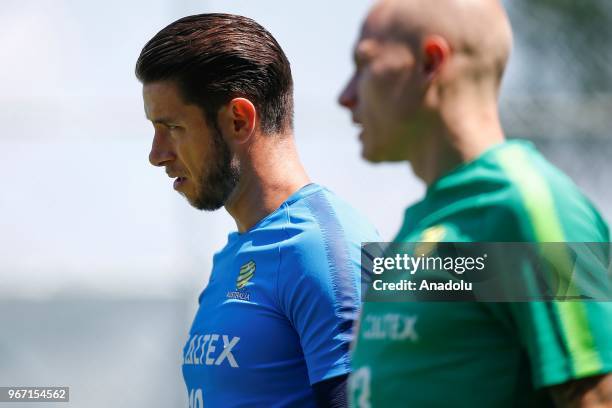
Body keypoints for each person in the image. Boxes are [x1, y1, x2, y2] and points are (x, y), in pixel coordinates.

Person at [338, 0, 612, 406]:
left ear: (430, 63)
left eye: (364, 63)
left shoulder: (528, 207)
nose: (346, 95)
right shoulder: (422, 222)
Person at [135, 13, 379, 408]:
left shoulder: (322, 250)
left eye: (173, 128)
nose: (156, 154)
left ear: (238, 119)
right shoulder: (235, 254)